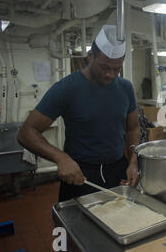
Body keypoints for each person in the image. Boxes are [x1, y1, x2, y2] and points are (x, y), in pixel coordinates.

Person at [18, 25, 140, 202]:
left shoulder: (126, 88)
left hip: (118, 171)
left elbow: (133, 128)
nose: (110, 75)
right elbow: (26, 132)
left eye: (117, 69)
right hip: (79, 174)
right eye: (104, 67)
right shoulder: (66, 88)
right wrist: (60, 158)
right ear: (90, 57)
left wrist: (133, 161)